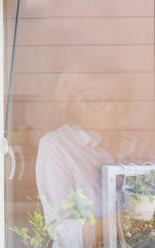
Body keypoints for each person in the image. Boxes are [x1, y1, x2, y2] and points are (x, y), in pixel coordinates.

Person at [35, 67, 155, 247]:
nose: (110, 108)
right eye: (96, 100)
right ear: (71, 103)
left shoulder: (141, 143)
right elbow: (61, 231)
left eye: (117, 100)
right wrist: (124, 222)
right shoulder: (57, 146)